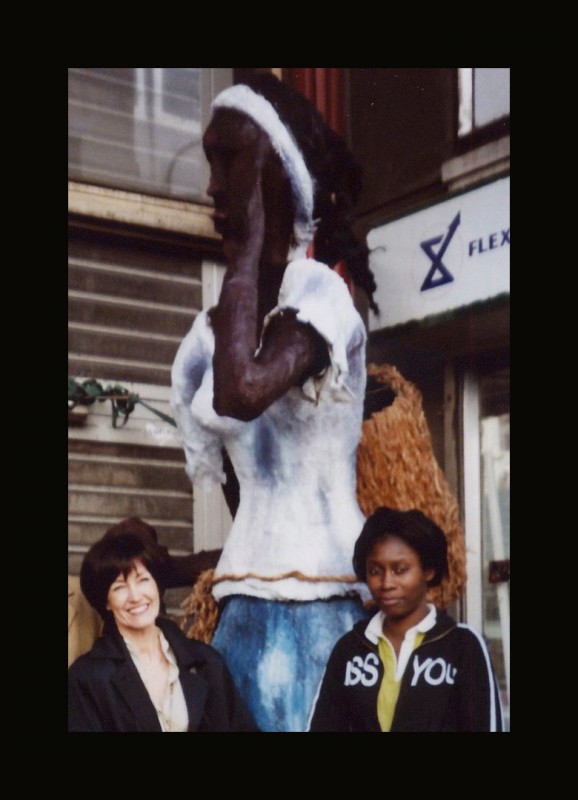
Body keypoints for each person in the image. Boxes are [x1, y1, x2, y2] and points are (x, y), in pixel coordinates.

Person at [171, 73, 378, 732]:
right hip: (245, 605)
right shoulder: (206, 336)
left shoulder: (319, 295)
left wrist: (249, 247)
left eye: (230, 159)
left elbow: (243, 392)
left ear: (277, 174)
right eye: (210, 160)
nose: (211, 184)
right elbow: (239, 487)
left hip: (326, 598)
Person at [307, 506, 504, 732]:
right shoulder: (350, 650)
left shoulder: (462, 646)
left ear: (428, 570)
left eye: (400, 569)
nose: (386, 583)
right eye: (375, 571)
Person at [68, 518, 259, 732]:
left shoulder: (206, 662)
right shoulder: (87, 678)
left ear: (158, 586)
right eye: (119, 587)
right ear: (106, 601)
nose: (135, 596)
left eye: (143, 580)